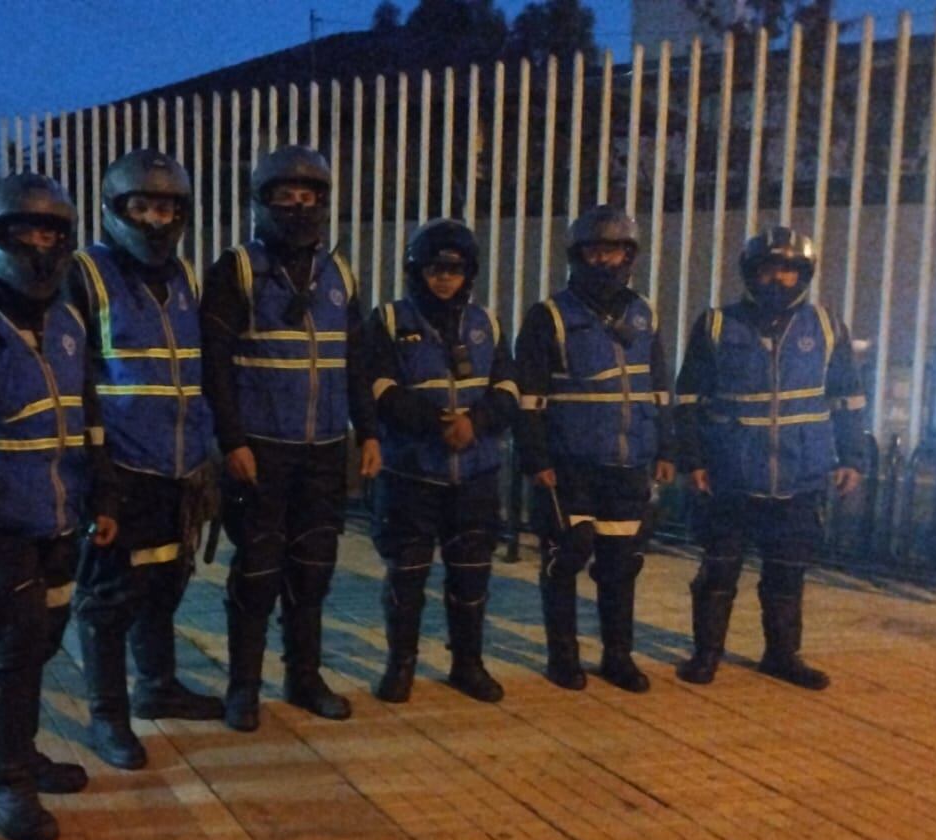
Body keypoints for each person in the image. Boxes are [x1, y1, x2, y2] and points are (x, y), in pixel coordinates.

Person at [0, 173, 115, 840]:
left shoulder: (70, 316)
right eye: (24, 231)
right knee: (11, 644)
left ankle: (22, 750)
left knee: (45, 638)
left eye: (51, 231)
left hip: (60, 511)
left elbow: (91, 413)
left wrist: (101, 495)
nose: (39, 244)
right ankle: (5, 779)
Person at [201, 144, 381, 732]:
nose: (299, 207)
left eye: (310, 197)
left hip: (326, 448)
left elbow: (356, 360)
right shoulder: (239, 268)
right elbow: (215, 363)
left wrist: (369, 431)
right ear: (262, 202)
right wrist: (232, 442)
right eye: (286, 196)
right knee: (256, 570)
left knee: (313, 568)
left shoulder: (340, 273)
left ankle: (304, 678)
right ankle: (243, 688)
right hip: (261, 448)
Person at [68, 149, 223, 770]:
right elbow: (72, 374)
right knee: (110, 597)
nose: (156, 220)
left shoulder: (182, 276)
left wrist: (206, 450)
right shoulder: (87, 273)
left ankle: (157, 685)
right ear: (115, 209)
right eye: (143, 206)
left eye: (167, 207)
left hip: (178, 467)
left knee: (164, 580)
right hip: (120, 470)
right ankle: (108, 717)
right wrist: (94, 470)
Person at [673, 225, 866, 690]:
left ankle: (782, 656)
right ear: (749, 273)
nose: (776, 278)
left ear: (803, 274)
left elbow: (848, 399)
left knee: (787, 573)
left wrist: (852, 458)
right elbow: (687, 401)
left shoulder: (826, 326)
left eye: (788, 269)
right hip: (730, 475)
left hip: (800, 476)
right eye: (767, 269)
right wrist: (692, 461)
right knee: (718, 571)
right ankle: (707, 655)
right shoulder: (717, 324)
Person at [514, 205, 675, 694]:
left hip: (629, 463)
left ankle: (617, 657)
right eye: (595, 250)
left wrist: (668, 448)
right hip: (570, 463)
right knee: (567, 556)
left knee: (620, 563)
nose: (605, 260)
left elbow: (661, 388)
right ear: (578, 255)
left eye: (615, 250)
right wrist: (536, 459)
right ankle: (563, 658)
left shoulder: (645, 314)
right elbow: (529, 396)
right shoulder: (551, 316)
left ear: (630, 255)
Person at [365, 218, 516, 704]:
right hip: (411, 471)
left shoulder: (487, 324)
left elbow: (509, 388)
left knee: (471, 572)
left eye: (454, 269)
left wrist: (478, 421)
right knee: (407, 574)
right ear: (417, 271)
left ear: (468, 273)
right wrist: (436, 424)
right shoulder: (389, 320)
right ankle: (401, 664)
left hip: (476, 473)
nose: (444, 278)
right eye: (434, 269)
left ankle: (467, 664)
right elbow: (378, 386)